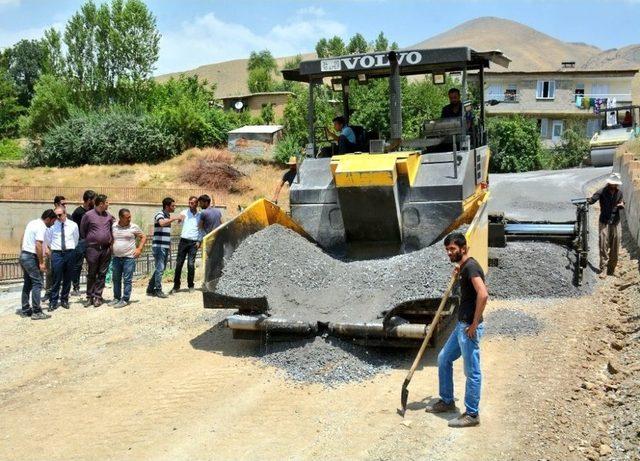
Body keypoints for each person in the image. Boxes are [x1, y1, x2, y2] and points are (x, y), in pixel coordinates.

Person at [425, 232, 489, 428]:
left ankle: (472, 414)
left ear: (463, 248)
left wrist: (474, 323)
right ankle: (447, 401)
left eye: (452, 249)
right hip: (461, 326)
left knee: (472, 371)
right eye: (447, 250)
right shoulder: (463, 268)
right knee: (444, 358)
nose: (449, 253)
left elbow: (483, 294)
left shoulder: (471, 268)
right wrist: (457, 274)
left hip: (469, 328)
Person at [20, 209, 57, 320]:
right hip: (31, 257)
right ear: (48, 219)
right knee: (38, 283)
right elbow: (38, 245)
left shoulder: (32, 223)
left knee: (28, 283)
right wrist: (41, 262)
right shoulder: (41, 226)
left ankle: (26, 309)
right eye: (52, 221)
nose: (53, 224)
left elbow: (23, 238)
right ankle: (37, 311)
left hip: (24, 255)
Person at [80, 194, 114, 307]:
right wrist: (91, 241)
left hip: (106, 249)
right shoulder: (88, 215)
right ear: (101, 204)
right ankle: (89, 297)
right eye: (107, 202)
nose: (108, 204)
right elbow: (83, 231)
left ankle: (98, 297)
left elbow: (112, 230)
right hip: (92, 249)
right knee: (91, 273)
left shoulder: (109, 216)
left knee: (102, 274)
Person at [588, 173, 625, 278]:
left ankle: (611, 269)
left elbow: (621, 203)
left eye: (615, 184)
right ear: (609, 182)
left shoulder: (619, 193)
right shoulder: (602, 191)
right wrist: (588, 201)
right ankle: (603, 268)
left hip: (615, 221)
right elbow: (592, 200)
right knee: (603, 243)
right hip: (604, 220)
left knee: (615, 244)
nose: (613, 185)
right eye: (612, 183)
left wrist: (622, 205)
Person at [110, 208, 146, 308]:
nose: (130, 219)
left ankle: (125, 299)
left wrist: (139, 249)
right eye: (127, 217)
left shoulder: (134, 227)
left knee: (127, 279)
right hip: (116, 258)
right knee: (116, 279)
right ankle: (116, 298)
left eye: (130, 217)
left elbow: (143, 237)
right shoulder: (114, 226)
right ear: (120, 218)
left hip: (129, 258)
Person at [147, 197, 182, 298]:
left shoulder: (167, 215)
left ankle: (150, 289)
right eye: (172, 205)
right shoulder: (160, 214)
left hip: (164, 246)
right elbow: (162, 223)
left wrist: (169, 245)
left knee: (160, 268)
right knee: (160, 268)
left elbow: (165, 232)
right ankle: (158, 290)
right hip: (159, 246)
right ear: (167, 206)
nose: (174, 207)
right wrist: (174, 218)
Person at [45, 206, 79, 311]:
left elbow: (76, 239)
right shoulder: (52, 226)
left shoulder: (73, 225)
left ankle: (64, 299)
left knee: (68, 278)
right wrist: (55, 249)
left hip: (69, 253)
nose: (58, 217)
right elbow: (48, 240)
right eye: (56, 215)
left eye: (60, 215)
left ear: (65, 214)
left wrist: (70, 249)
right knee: (56, 278)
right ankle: (53, 301)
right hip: (57, 254)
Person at [170, 196, 203, 294]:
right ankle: (176, 285)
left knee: (191, 264)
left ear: (196, 204)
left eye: (192, 203)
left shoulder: (200, 215)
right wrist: (179, 221)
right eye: (189, 202)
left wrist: (199, 241)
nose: (190, 204)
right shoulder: (184, 212)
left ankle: (191, 285)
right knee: (179, 263)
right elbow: (179, 222)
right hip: (183, 241)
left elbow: (201, 229)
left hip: (194, 243)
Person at [70, 190, 96, 296]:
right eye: (94, 200)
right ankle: (75, 287)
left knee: (92, 264)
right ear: (89, 200)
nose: (95, 202)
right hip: (80, 242)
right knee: (77, 265)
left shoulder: (93, 211)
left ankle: (92, 287)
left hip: (90, 242)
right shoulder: (78, 212)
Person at [43, 195, 67, 301]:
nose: (65, 205)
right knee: (49, 272)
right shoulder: (50, 216)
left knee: (61, 272)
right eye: (63, 203)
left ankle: (61, 293)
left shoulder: (67, 217)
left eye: (65, 204)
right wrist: (47, 248)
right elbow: (44, 233)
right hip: (51, 248)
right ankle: (49, 292)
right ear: (56, 204)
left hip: (63, 250)